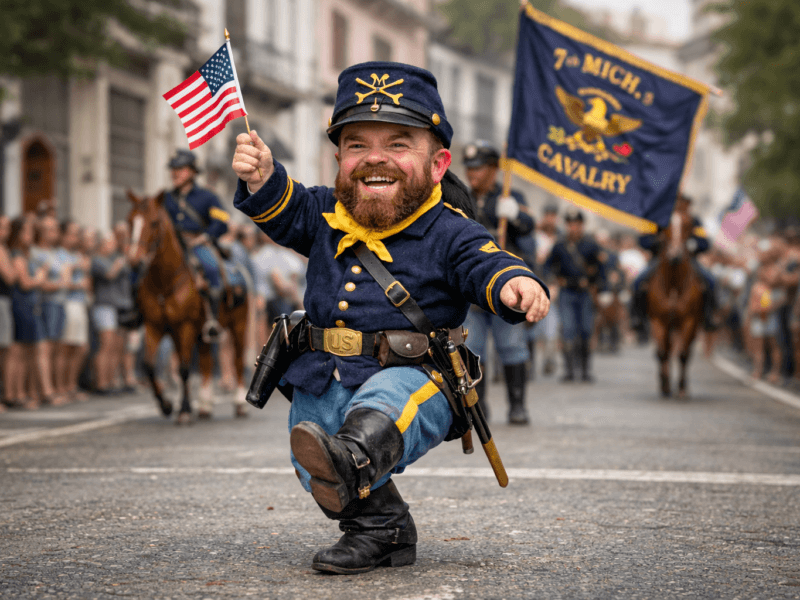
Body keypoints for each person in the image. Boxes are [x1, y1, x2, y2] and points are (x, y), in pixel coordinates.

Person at [231, 61, 550, 574]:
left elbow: (485, 263)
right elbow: (283, 207)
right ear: (339, 158)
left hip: (418, 378)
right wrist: (263, 176)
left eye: (398, 144)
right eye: (357, 145)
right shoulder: (325, 212)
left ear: (438, 164)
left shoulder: (450, 229)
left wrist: (515, 283)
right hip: (324, 374)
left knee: (380, 410)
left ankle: (359, 472)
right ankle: (383, 529)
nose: (375, 158)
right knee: (313, 461)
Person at [461, 140, 536, 424]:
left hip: (506, 288)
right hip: (472, 288)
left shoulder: (509, 194)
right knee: (472, 349)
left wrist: (515, 214)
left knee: (512, 346)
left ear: (494, 169)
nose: (472, 173)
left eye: (479, 167)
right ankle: (479, 408)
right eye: (470, 168)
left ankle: (517, 405)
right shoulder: (461, 197)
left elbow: (528, 225)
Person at [164, 149, 231, 342]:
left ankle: (213, 320)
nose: (175, 173)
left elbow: (222, 221)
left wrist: (204, 237)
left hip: (197, 244)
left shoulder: (208, 196)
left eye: (180, 169)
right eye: (173, 169)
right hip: (173, 246)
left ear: (193, 172)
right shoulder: (167, 198)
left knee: (211, 267)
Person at [630, 194, 718, 338]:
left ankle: (710, 316)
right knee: (638, 282)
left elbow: (705, 243)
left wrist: (693, 244)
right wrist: (658, 243)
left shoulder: (694, 221)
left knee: (711, 281)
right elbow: (643, 240)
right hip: (660, 259)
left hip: (688, 259)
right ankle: (637, 317)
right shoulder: (657, 219)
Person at [544, 209, 606, 382]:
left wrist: (600, 288)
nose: (573, 228)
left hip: (585, 292)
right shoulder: (560, 245)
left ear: (581, 226)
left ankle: (585, 370)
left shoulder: (590, 245)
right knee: (568, 329)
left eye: (576, 224)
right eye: (570, 224)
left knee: (586, 330)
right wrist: (552, 280)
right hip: (566, 291)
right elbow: (548, 266)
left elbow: (601, 268)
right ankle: (569, 370)